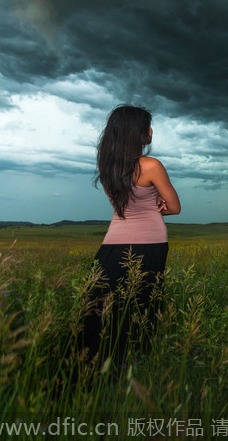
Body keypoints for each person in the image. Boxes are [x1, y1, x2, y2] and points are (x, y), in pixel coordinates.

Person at [78, 104, 180, 375]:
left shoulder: (107, 167)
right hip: (151, 243)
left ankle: (92, 366)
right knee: (143, 304)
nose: (151, 131)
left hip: (112, 243)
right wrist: (158, 204)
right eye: (148, 125)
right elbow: (174, 207)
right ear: (137, 132)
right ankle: (133, 366)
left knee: (100, 307)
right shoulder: (152, 166)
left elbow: (124, 205)